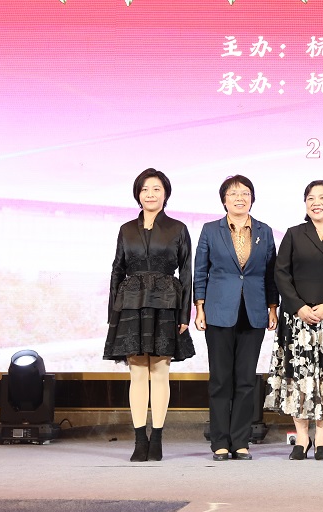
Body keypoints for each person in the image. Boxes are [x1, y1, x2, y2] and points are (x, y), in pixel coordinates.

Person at [103, 168, 195, 462]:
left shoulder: (178, 228)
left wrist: (185, 313)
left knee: (160, 371)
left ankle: (157, 438)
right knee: (137, 373)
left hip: (166, 303)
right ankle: (139, 440)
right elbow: (117, 269)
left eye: (156, 189)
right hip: (131, 304)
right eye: (145, 189)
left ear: (165, 194)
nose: (150, 194)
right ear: (137, 194)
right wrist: (113, 312)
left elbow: (187, 272)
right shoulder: (126, 229)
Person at [265, 179, 323, 460]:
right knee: (299, 378)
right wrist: (298, 307)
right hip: (297, 321)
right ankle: (302, 438)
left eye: (322, 197)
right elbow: (281, 273)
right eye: (310, 198)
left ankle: (322, 439)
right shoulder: (294, 234)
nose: (316, 203)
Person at [194, 174, 278, 461]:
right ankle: (219, 441)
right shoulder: (210, 230)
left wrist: (272, 307)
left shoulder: (264, 231)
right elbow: (200, 270)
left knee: (246, 379)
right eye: (233, 193)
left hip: (253, 312)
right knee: (220, 379)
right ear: (224, 200)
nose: (239, 198)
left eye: (245, 193)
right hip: (219, 311)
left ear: (252, 198)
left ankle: (241, 441)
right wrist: (200, 307)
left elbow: (270, 273)